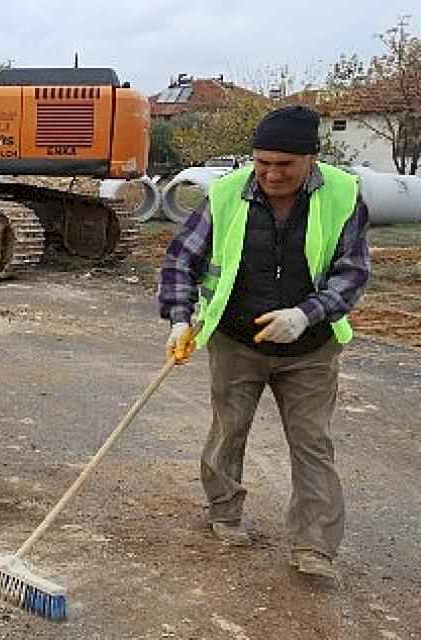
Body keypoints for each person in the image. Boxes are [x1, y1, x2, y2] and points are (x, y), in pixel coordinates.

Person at [158, 105, 371, 578]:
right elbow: (180, 260)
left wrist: (305, 314)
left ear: (311, 159)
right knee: (229, 430)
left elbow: (353, 272)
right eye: (262, 162)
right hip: (237, 341)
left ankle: (314, 546)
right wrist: (178, 319)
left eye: (285, 165)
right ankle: (224, 512)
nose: (272, 173)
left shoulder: (343, 195)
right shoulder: (228, 194)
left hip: (310, 347)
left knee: (312, 442)